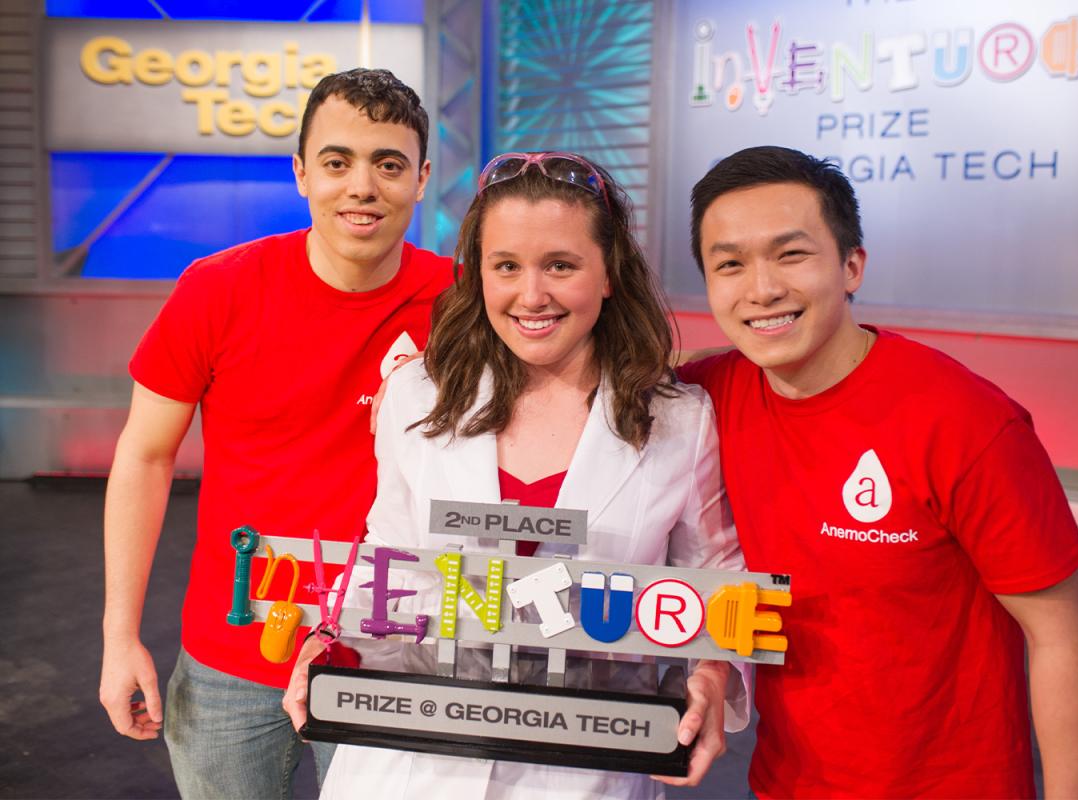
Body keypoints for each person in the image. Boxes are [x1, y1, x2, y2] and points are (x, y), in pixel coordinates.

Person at [282, 151, 749, 799]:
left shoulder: (680, 421)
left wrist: (711, 674)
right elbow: (386, 555)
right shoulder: (417, 394)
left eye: (560, 265)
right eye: (507, 267)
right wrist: (329, 639)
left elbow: (715, 581)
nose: (532, 296)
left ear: (608, 274)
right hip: (414, 762)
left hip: (586, 763)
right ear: (479, 276)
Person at [676, 145, 1078, 799]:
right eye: (730, 264)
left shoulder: (965, 423)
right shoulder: (708, 397)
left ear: (852, 266)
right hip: (784, 782)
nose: (761, 289)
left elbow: (1064, 639)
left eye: (791, 254)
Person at [98, 68, 453, 799]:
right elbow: (144, 454)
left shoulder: (463, 305)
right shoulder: (219, 289)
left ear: (420, 180)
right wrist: (119, 635)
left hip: (390, 652)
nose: (362, 185)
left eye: (388, 164)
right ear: (300, 173)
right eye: (336, 161)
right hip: (231, 655)